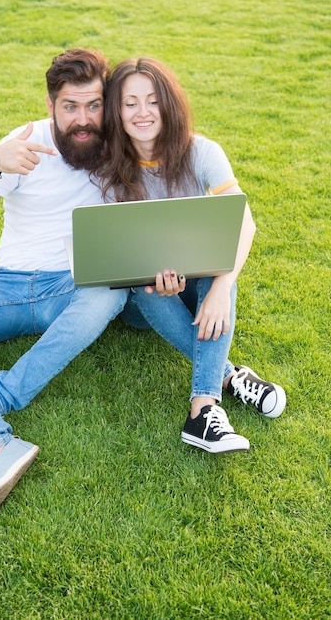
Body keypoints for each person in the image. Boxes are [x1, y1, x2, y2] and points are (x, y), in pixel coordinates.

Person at [0, 48, 129, 518]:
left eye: (94, 105)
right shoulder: (25, 143)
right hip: (9, 286)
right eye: (70, 107)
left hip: (73, 287)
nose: (83, 120)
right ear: (50, 103)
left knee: (110, 289)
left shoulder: (120, 144)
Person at [96, 56, 286, 453]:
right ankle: (231, 377)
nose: (142, 112)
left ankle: (202, 411)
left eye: (152, 100)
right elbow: (116, 253)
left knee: (219, 272)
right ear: (117, 110)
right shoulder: (110, 168)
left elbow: (243, 223)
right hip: (143, 299)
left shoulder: (201, 151)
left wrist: (220, 289)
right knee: (142, 285)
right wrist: (151, 275)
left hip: (194, 278)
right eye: (130, 103)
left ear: (169, 103)